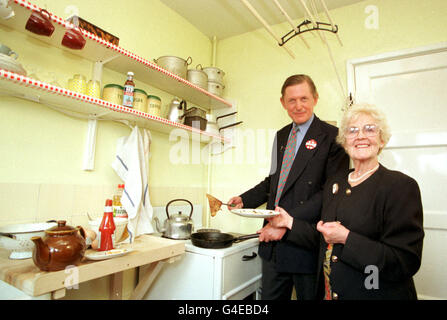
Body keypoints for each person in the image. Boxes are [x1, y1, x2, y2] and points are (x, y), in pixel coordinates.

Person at [269, 104, 425, 300]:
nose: (360, 136)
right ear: (344, 142)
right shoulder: (335, 183)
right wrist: (288, 222)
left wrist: (346, 237)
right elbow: (325, 239)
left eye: (369, 129)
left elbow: (405, 261)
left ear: (382, 139)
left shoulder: (400, 186)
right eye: (352, 130)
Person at [227, 74, 349, 300]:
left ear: (315, 99)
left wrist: (284, 223)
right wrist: (244, 199)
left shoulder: (333, 137)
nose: (298, 105)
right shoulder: (281, 136)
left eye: (304, 98)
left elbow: (332, 193)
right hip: (273, 246)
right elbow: (273, 181)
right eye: (292, 100)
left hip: (305, 242)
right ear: (283, 103)